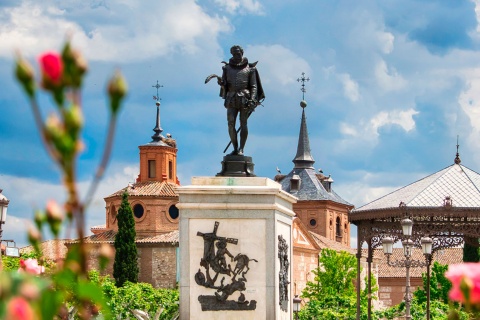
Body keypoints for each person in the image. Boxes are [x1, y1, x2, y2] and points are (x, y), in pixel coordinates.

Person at [218, 45, 264, 156]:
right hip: (231, 98)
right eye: (234, 54)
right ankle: (235, 147)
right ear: (232, 54)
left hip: (245, 98)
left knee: (243, 123)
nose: (237, 55)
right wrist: (222, 84)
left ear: (242, 53)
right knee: (230, 123)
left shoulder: (250, 68)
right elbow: (225, 85)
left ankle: (241, 149)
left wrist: (252, 99)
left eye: (238, 53)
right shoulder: (227, 68)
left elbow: (253, 86)